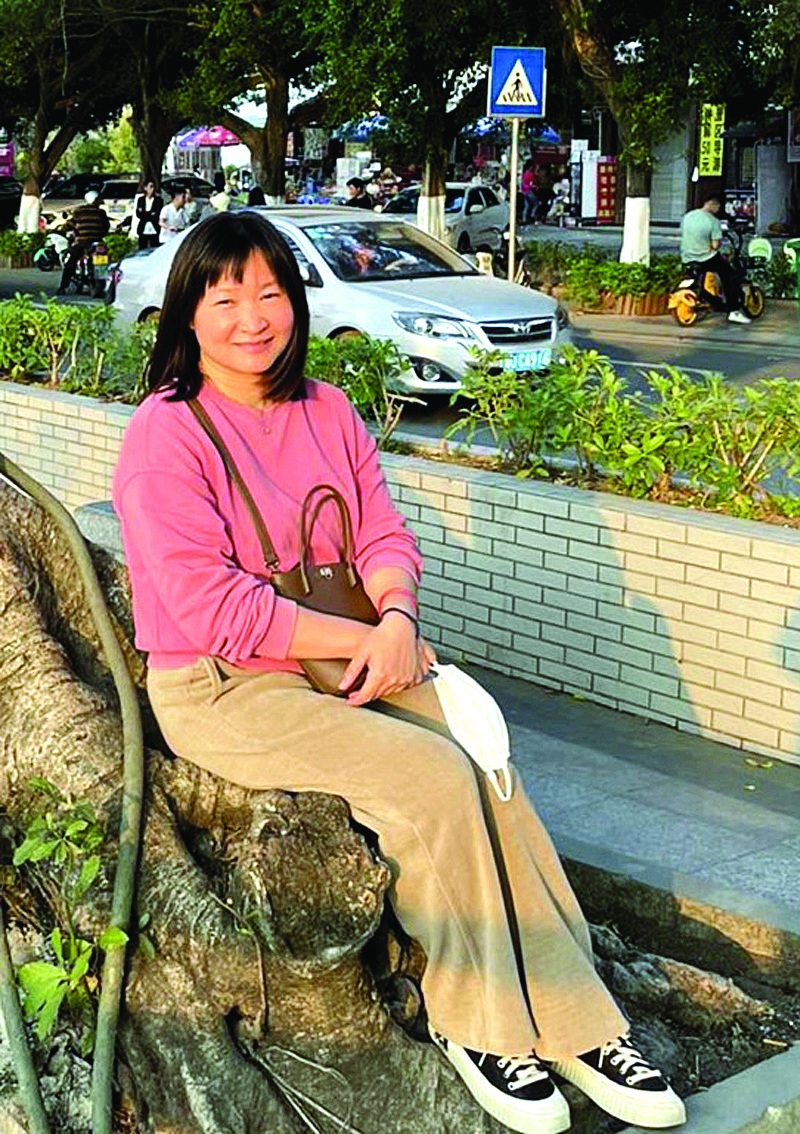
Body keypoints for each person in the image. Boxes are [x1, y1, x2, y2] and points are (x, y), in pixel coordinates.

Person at [112, 211, 686, 1134]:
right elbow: (207, 604)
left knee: (485, 760)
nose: (252, 318)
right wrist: (362, 642)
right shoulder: (165, 433)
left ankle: (579, 1022)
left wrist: (398, 620)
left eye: (270, 294)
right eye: (224, 300)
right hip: (223, 684)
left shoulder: (327, 409)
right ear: (186, 315)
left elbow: (382, 534)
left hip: (352, 646)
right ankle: (480, 1023)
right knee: (429, 779)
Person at [680, 193, 751, 324]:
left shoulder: (688, 216)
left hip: (687, 257)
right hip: (705, 258)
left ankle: (712, 299)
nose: (718, 209)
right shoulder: (713, 221)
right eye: (718, 206)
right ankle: (733, 310)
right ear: (713, 204)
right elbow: (715, 246)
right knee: (730, 276)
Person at [57, 189, 110, 295]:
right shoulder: (101, 212)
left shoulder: (80, 211)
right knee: (103, 262)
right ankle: (101, 283)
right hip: (98, 242)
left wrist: (61, 230)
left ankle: (63, 287)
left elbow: (70, 225)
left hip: (82, 242)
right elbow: (106, 227)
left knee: (71, 263)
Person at [135, 181, 163, 249]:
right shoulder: (141, 200)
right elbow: (139, 214)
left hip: (154, 229)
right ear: (145, 188)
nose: (152, 189)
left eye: (153, 187)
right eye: (150, 187)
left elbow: (157, 214)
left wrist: (146, 214)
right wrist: (149, 214)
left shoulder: (158, 200)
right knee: (142, 248)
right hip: (143, 228)